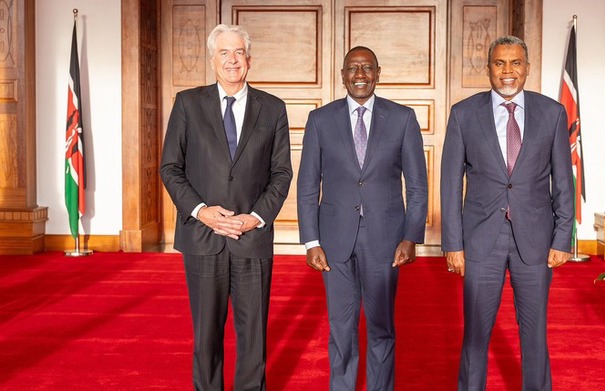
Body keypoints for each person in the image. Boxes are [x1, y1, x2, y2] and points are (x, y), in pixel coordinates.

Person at [159, 24, 292, 391]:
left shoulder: (273, 108)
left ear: (248, 60)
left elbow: (281, 173)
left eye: (238, 53)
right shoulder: (188, 103)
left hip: (253, 238)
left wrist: (254, 218)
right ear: (212, 59)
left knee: (254, 338)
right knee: (206, 336)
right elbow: (170, 167)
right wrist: (201, 211)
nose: (232, 60)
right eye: (224, 53)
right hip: (203, 237)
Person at [440, 36, 574, 390]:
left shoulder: (552, 113)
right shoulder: (464, 114)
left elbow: (563, 180)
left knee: (534, 335)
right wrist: (453, 244)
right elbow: (450, 184)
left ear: (527, 68)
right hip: (481, 240)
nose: (508, 71)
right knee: (475, 335)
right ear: (489, 69)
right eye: (500, 63)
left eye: (515, 63)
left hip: (536, 239)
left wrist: (563, 238)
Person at [296, 46, 428, 390]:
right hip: (334, 240)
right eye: (353, 68)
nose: (359, 74)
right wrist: (311, 240)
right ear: (342, 75)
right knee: (341, 330)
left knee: (381, 328)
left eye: (367, 68)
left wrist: (411, 236)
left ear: (378, 73)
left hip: (386, 240)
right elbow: (308, 184)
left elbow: (417, 185)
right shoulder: (320, 120)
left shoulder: (402, 118)